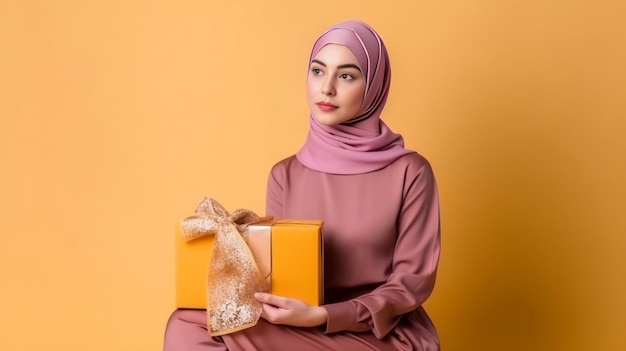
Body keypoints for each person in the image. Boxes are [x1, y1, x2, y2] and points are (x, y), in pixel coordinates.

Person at [163, 19, 441, 350]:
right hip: (302, 326)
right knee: (187, 323)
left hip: (380, 331)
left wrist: (324, 315)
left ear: (374, 87)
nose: (327, 88)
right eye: (318, 71)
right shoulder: (285, 174)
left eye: (347, 75)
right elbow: (285, 277)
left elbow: (410, 285)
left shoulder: (410, 172)